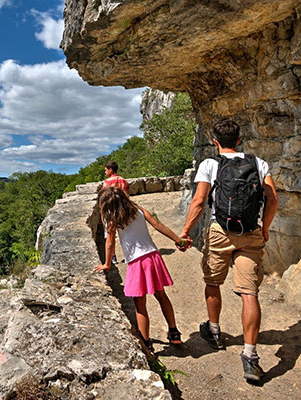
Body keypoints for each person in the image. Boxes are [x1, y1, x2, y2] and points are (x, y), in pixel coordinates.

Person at [179, 118, 278, 382]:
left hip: (220, 232)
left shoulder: (210, 164)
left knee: (213, 282)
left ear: (215, 142)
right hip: (250, 232)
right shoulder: (259, 163)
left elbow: (199, 201)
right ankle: (250, 356)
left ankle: (213, 331)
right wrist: (265, 228)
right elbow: (272, 199)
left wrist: (186, 231)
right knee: (249, 293)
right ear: (238, 140)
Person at [95, 186, 190, 352]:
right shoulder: (137, 209)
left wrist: (107, 263)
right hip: (153, 256)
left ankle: (146, 343)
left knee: (140, 304)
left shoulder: (113, 220)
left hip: (137, 262)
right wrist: (178, 240)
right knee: (161, 295)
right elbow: (158, 225)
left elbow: (110, 243)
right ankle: (174, 333)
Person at [103, 161, 129, 264]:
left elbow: (105, 197)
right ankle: (128, 255)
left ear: (110, 170)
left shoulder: (107, 182)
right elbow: (127, 196)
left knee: (110, 234)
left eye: (106, 170)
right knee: (125, 233)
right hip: (123, 209)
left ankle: (112, 257)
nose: (105, 172)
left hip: (111, 209)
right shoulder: (123, 181)